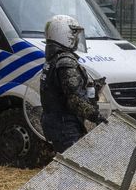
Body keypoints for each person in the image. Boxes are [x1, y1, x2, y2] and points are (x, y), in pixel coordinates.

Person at [40, 14, 105, 153]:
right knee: (76, 167)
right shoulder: (65, 62)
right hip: (65, 125)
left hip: (57, 123)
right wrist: (96, 116)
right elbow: (74, 99)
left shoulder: (54, 60)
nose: (76, 39)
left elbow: (62, 91)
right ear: (64, 34)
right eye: (74, 34)